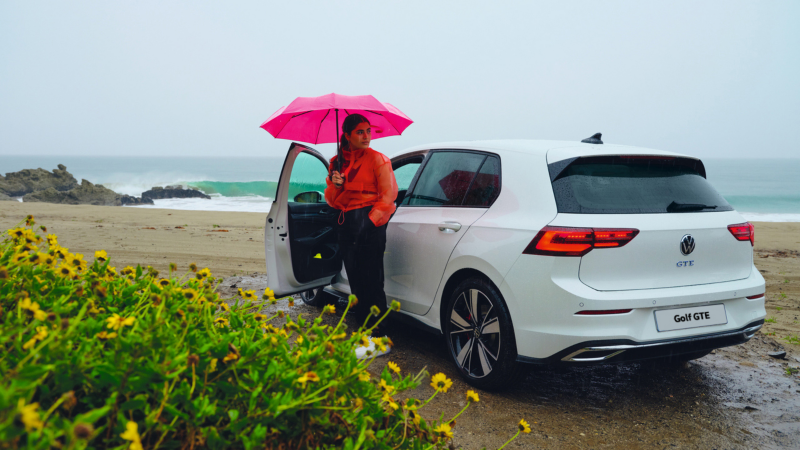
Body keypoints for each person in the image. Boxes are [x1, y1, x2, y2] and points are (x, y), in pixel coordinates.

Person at [324, 114, 398, 331]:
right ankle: (364, 329)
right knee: (355, 281)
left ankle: (378, 336)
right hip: (345, 223)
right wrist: (335, 185)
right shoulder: (335, 163)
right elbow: (331, 200)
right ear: (347, 135)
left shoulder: (378, 159)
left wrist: (369, 223)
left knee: (372, 281)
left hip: (369, 226)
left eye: (368, 131)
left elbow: (388, 198)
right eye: (359, 132)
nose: (366, 136)